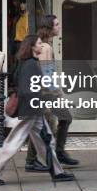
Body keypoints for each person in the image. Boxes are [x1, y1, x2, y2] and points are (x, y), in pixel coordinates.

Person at [0, 35, 75, 185]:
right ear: (32, 47)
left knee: (46, 141)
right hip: (31, 111)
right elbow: (27, 90)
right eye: (39, 43)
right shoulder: (31, 65)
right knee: (15, 141)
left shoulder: (27, 63)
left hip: (32, 110)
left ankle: (57, 172)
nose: (42, 46)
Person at [25, 15, 79, 171]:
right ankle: (35, 160)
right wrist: (58, 96)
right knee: (47, 125)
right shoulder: (46, 48)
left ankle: (54, 154)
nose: (59, 26)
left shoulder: (45, 45)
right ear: (49, 28)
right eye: (56, 24)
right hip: (45, 94)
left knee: (54, 121)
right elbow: (46, 75)